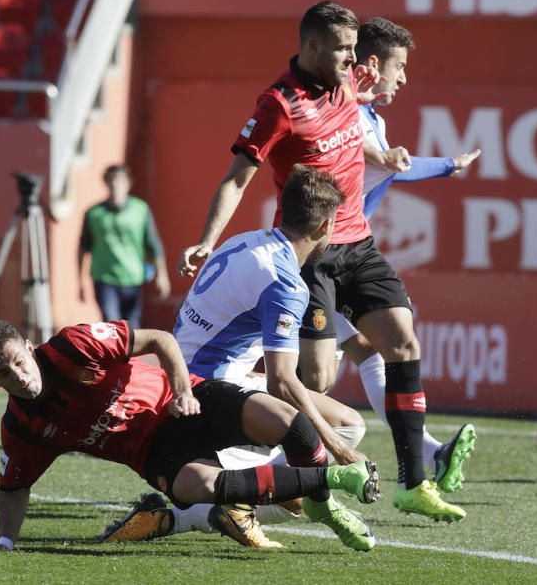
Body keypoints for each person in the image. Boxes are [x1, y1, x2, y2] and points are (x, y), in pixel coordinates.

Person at [177, 0, 464, 522]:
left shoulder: (348, 83)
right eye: (343, 49)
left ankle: (413, 480)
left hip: (359, 243)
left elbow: (358, 131)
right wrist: (206, 239)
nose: (354, 59)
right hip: (313, 254)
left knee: (403, 342)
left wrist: (389, 155)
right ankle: (257, 467)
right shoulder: (279, 104)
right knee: (316, 379)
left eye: (355, 50)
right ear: (312, 47)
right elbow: (236, 178)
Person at [104, 166, 372, 548]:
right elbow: (283, 382)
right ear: (326, 226)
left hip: (184, 379)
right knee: (300, 490)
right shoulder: (286, 283)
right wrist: (338, 450)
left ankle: (222, 500)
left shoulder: (242, 241)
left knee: (347, 423)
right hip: (206, 398)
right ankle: (181, 517)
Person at [0, 318, 380, 553]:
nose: (19, 377)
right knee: (200, 486)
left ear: (30, 347)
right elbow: (13, 486)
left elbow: (160, 339)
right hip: (155, 450)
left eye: (18, 362)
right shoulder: (22, 426)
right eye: (3, 374)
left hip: (186, 399)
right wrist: (5, 541)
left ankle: (323, 506)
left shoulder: (75, 345)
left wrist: (182, 390)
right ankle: (334, 480)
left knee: (287, 419)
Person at [336, 16, 482, 494]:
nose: (404, 77)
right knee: (304, 374)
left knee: (367, 350)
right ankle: (247, 465)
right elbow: (386, 161)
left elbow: (391, 163)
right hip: (316, 259)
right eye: (399, 66)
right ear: (372, 64)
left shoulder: (369, 118)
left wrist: (443, 165)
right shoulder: (345, 113)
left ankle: (428, 455)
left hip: (340, 257)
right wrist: (443, 164)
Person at [78, 165, 170, 327]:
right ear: (106, 183)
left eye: (120, 181)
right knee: (111, 323)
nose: (116, 185)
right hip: (104, 278)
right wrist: (81, 281)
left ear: (128, 184)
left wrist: (162, 275)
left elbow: (153, 244)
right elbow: (83, 247)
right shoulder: (94, 213)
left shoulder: (141, 210)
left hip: (133, 277)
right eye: (112, 180)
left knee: (132, 326)